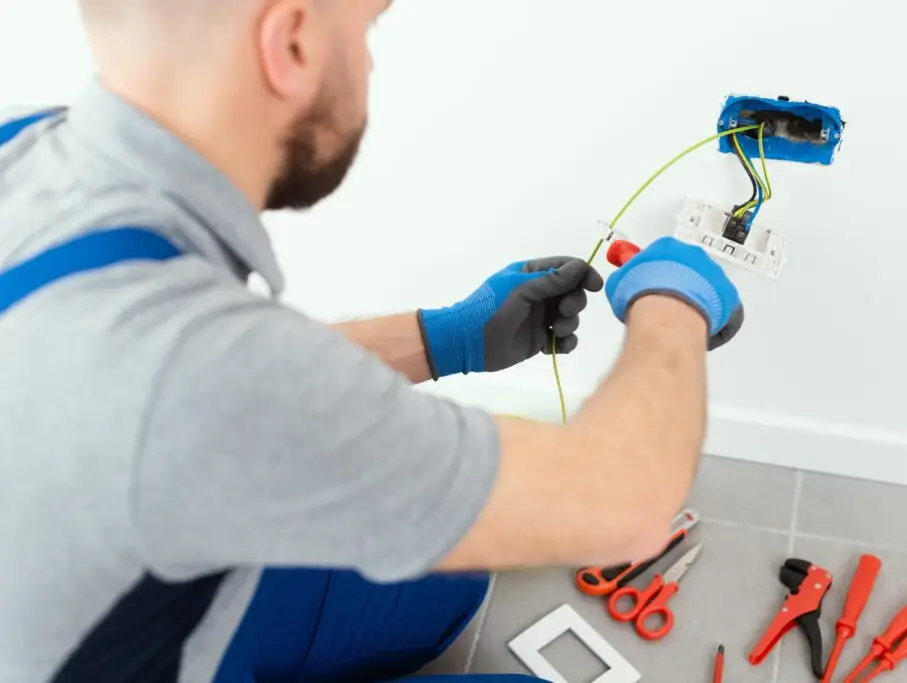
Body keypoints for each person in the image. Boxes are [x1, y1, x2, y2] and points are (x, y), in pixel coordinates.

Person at [0, 1, 744, 682]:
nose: (371, 61)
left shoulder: (26, 151)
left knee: (448, 584)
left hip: (107, 586)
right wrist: (675, 300)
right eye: (369, 28)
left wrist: (447, 336)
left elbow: (201, 388)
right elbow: (624, 502)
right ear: (291, 40)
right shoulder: (189, 373)